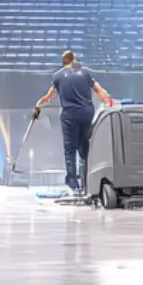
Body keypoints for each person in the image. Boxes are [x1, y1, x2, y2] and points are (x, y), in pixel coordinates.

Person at [34, 50, 114, 192]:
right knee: (85, 149)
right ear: (75, 59)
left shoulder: (58, 76)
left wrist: (38, 104)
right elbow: (99, 91)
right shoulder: (87, 73)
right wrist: (108, 101)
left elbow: (49, 96)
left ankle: (73, 183)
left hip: (69, 115)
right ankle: (87, 182)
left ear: (63, 61)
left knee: (70, 149)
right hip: (86, 114)